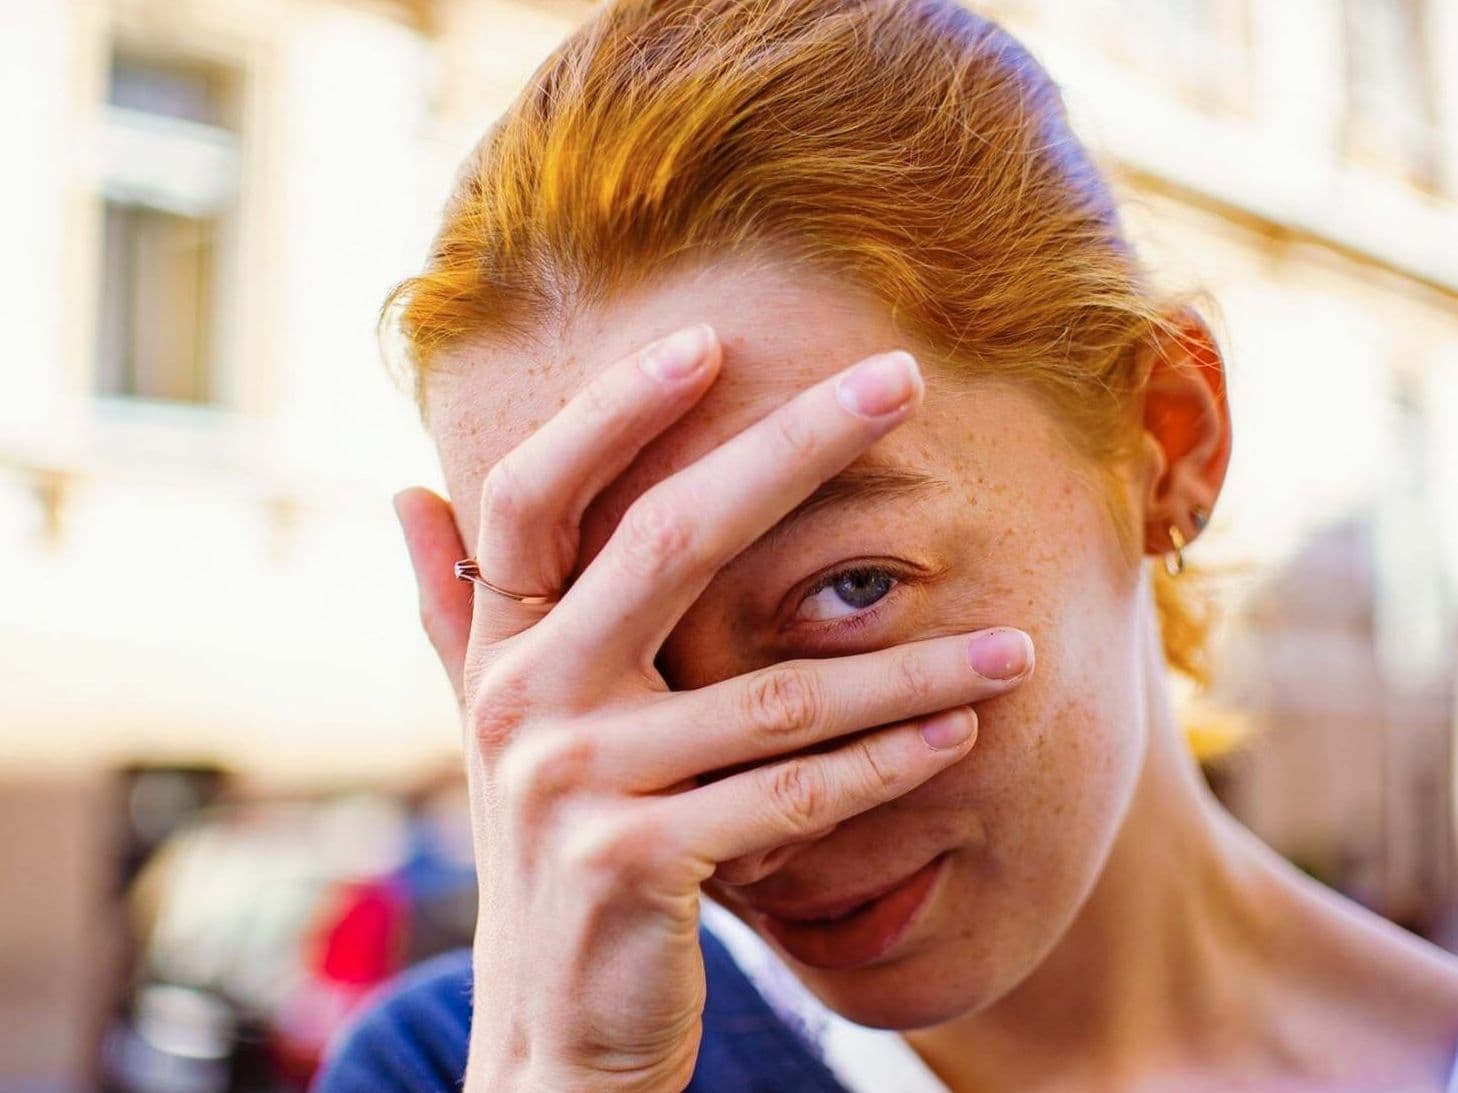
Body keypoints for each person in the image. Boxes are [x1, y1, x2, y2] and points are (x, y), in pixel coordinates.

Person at [312, 0, 1458, 1089]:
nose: (751, 821)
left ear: (1166, 438)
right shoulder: (453, 1070)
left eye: (850, 588)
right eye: (622, 654)